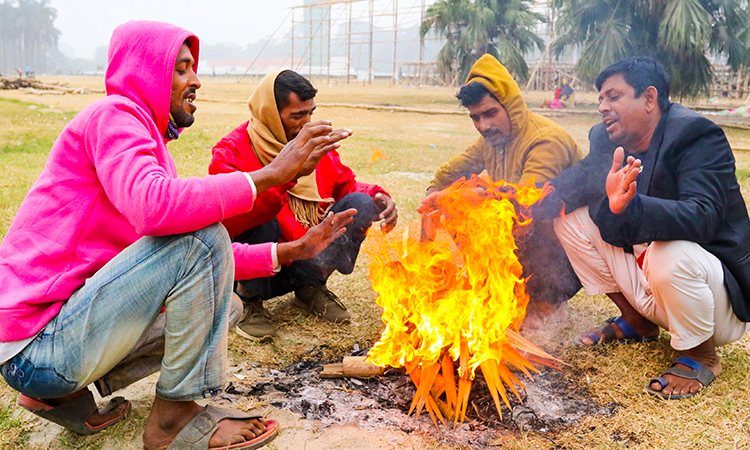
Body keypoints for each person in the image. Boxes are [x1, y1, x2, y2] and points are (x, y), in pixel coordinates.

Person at [0, 20, 357, 449]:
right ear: (147, 73)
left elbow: (187, 256)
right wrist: (268, 176)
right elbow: (172, 223)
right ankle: (176, 418)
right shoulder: (114, 116)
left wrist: (290, 250)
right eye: (182, 69)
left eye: (193, 68)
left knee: (226, 306)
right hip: (41, 345)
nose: (197, 81)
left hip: (46, 348)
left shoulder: (145, 142)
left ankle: (59, 396)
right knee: (200, 237)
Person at [532, 56, 750, 399]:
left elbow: (703, 217)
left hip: (711, 298)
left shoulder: (697, 136)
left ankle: (700, 353)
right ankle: (637, 321)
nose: (603, 106)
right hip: (652, 284)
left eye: (614, 97)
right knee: (571, 220)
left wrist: (633, 207)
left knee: (668, 252)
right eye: (601, 98)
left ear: (649, 98)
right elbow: (570, 186)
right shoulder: (606, 140)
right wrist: (515, 205)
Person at [210, 70, 398, 341]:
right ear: (271, 113)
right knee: (259, 212)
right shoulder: (231, 152)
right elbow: (229, 218)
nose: (307, 123)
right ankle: (248, 299)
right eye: (297, 116)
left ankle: (311, 285)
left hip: (304, 255)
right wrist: (287, 174)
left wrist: (377, 197)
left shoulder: (314, 144)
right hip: (260, 263)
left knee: (359, 203)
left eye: (310, 113)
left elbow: (344, 185)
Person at [419, 54, 583, 328]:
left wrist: (461, 199)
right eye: (475, 118)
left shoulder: (545, 141)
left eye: (490, 113)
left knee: (503, 215)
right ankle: (501, 297)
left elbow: (528, 206)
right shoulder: (493, 140)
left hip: (563, 251)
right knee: (456, 209)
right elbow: (447, 174)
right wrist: (434, 200)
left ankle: (548, 303)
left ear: (512, 106)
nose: (483, 126)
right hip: (523, 237)